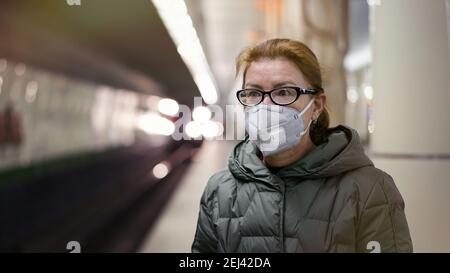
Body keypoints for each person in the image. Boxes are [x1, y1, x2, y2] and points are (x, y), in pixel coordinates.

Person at [192, 38, 413, 253]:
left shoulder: (369, 190)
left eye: (284, 92)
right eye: (254, 93)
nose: (266, 105)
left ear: (316, 105)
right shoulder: (219, 191)